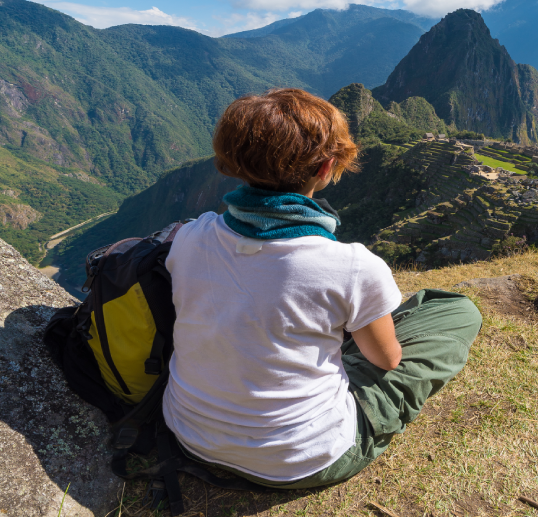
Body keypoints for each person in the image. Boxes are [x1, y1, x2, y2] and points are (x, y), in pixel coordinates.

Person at [161, 88, 482, 489]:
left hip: (188, 433)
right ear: (327, 166)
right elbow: (386, 360)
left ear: (230, 161)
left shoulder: (192, 235)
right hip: (300, 459)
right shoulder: (351, 265)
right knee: (456, 310)